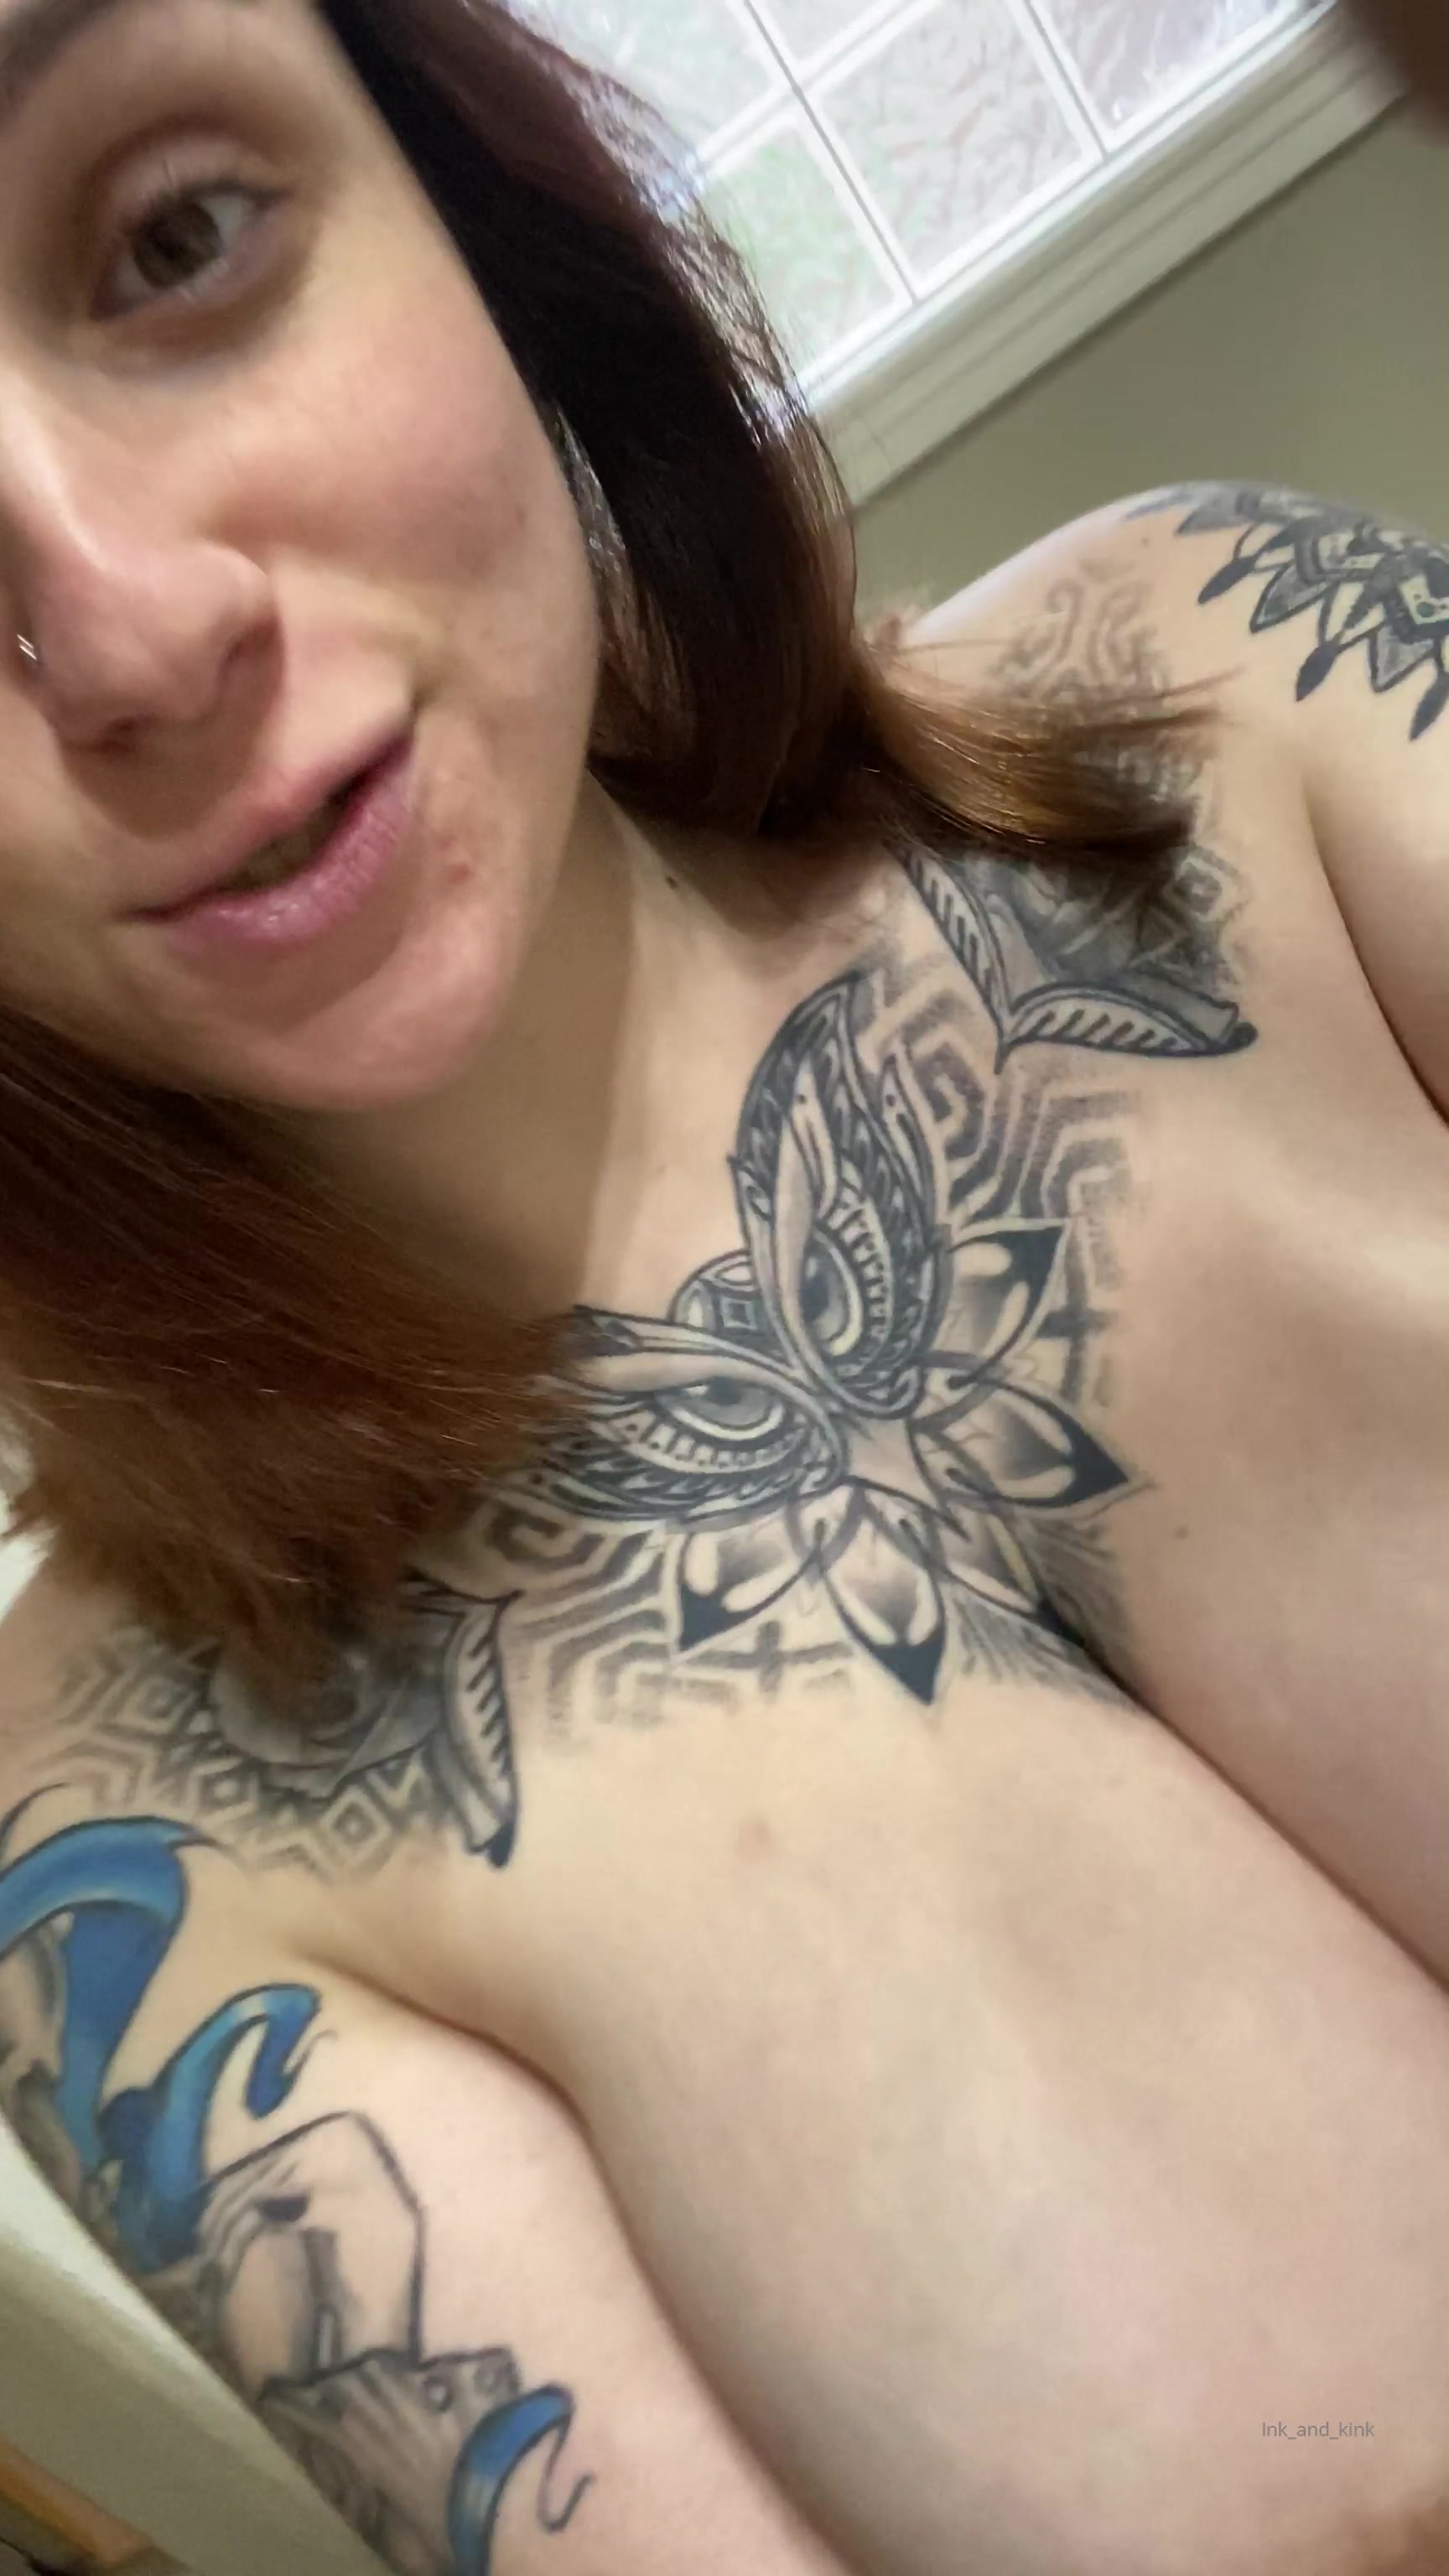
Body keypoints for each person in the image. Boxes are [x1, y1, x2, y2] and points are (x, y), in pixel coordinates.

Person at [0, 0, 1447, 2566]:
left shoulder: (1264, 686)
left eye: (177, 232)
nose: (131, 639)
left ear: (462, 196)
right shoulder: (118, 1858)